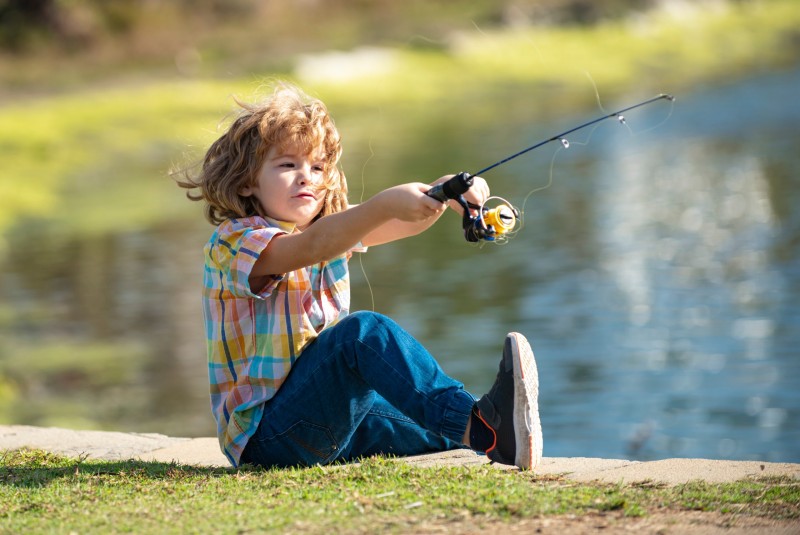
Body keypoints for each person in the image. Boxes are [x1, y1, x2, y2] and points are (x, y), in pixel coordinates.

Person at [175, 82, 542, 470]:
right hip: (269, 438)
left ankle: (492, 432)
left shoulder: (329, 230)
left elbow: (397, 222)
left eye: (317, 167)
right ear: (248, 180)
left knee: (435, 422)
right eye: (287, 165)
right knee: (361, 335)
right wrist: (383, 203)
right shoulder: (235, 240)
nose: (307, 177)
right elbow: (312, 247)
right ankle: (486, 423)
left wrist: (445, 194)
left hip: (328, 418)